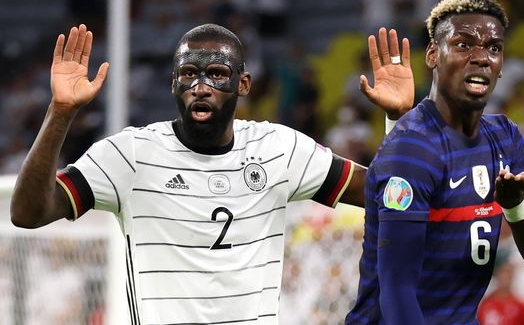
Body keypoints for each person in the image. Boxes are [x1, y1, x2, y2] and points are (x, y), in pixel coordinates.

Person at [10, 23, 414, 324]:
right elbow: (27, 214)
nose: (200, 85)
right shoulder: (129, 155)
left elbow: (391, 196)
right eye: (189, 73)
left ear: (243, 84)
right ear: (173, 84)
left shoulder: (279, 149)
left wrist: (399, 119)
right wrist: (60, 112)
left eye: (217, 73)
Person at [346, 0, 524, 324]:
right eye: (463, 45)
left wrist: (516, 206)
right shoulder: (410, 150)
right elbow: (397, 292)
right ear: (433, 55)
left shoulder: (505, 137)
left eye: (493, 48)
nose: (481, 58)